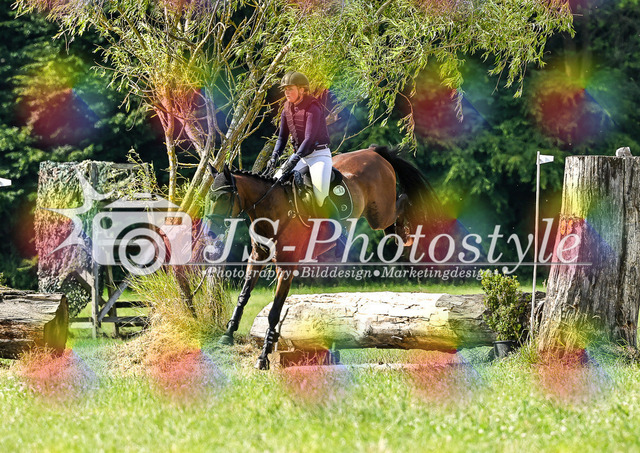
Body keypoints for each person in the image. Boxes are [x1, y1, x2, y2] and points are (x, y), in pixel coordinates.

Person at [266, 71, 335, 215]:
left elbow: (309, 138)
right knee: (274, 186)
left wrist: (294, 158)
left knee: (320, 197)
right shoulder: (286, 108)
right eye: (285, 89)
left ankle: (336, 224)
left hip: (318, 156)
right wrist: (274, 157)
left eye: (290, 89)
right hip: (300, 157)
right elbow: (282, 138)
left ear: (302, 90)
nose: (286, 92)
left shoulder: (313, 108)